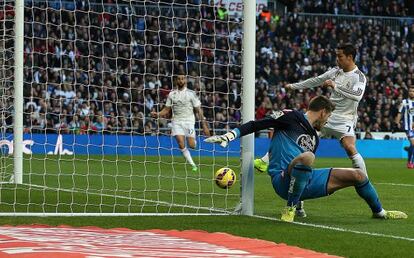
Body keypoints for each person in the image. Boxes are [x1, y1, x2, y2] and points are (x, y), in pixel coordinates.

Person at [206, 96, 407, 222]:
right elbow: (255, 124)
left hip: (306, 182)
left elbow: (303, 173)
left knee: (359, 175)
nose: (327, 122)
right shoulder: (290, 116)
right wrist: (229, 136)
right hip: (281, 179)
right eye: (327, 118)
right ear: (322, 112)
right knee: (307, 157)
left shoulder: (314, 138)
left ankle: (380, 212)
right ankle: (289, 208)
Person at [255, 43, 369, 215]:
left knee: (349, 146)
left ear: (350, 57)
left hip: (345, 118)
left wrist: (335, 86)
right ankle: (265, 161)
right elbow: (316, 80)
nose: (337, 59)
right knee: (299, 141)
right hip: (326, 115)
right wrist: (295, 86)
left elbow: (357, 96)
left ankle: (364, 178)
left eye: (340, 56)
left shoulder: (359, 77)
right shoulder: (335, 71)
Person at [151, 74, 210, 172]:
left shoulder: (191, 94)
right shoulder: (172, 94)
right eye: (179, 79)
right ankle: (193, 165)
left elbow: (198, 110)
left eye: (182, 78)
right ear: (176, 81)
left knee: (192, 145)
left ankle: (193, 141)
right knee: (181, 143)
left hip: (189, 121)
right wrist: (157, 114)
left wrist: (204, 125)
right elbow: (166, 109)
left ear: (185, 80)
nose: (181, 80)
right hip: (176, 121)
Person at [395, 86, 414, 168]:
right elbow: (400, 113)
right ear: (408, 92)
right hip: (408, 127)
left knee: (412, 145)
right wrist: (397, 123)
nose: (411, 92)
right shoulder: (404, 102)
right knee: (413, 143)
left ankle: (409, 149)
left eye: (413, 91)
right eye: (410, 91)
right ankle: (410, 163)